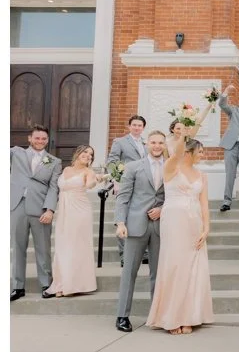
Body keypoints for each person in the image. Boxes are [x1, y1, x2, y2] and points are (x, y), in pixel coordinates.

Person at [146, 121, 214, 335]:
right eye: (200, 151)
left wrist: (206, 229)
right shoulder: (171, 167)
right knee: (175, 265)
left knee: (193, 268)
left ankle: (190, 316)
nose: (202, 155)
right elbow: (175, 153)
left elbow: (204, 203)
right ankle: (172, 316)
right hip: (174, 220)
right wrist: (184, 135)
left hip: (194, 222)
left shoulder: (201, 175)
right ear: (189, 152)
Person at [114, 131, 168, 332]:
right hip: (135, 226)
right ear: (147, 144)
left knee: (158, 273)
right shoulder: (133, 167)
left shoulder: (170, 167)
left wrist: (163, 209)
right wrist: (120, 222)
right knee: (129, 272)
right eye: (153, 142)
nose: (157, 146)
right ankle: (122, 316)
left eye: (160, 143)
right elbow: (123, 197)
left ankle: (156, 315)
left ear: (164, 145)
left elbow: (174, 195)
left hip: (161, 227)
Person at [45, 145, 107, 297]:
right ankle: (60, 283)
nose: (88, 155)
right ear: (77, 153)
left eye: (91, 154)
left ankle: (71, 285)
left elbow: (89, 185)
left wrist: (97, 179)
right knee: (62, 246)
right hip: (64, 211)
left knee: (75, 246)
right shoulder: (66, 170)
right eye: (85, 152)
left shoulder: (88, 171)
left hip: (80, 211)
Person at [11, 125, 62, 302]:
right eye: (37, 138)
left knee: (43, 248)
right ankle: (18, 286)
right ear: (29, 138)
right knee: (18, 247)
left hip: (40, 208)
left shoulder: (53, 161)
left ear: (47, 141)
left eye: (43, 139)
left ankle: (46, 285)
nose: (40, 141)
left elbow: (54, 187)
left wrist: (50, 209)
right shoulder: (16, 153)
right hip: (17, 205)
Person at [107, 115, 150, 265]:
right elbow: (112, 161)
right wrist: (115, 180)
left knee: (141, 215)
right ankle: (124, 256)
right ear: (129, 126)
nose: (137, 127)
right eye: (134, 125)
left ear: (143, 127)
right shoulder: (120, 142)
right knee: (122, 216)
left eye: (140, 125)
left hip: (143, 185)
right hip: (126, 183)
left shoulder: (147, 143)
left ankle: (143, 254)